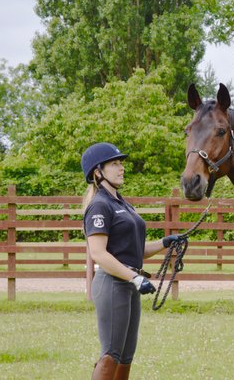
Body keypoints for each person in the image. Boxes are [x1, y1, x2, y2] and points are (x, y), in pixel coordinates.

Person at [81, 142, 179, 380]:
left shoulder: (122, 204)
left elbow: (136, 251)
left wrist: (165, 242)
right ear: (98, 172)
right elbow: (99, 254)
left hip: (129, 284)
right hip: (113, 283)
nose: (121, 167)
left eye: (121, 163)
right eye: (114, 163)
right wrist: (134, 277)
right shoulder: (99, 206)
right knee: (111, 354)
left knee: (125, 357)